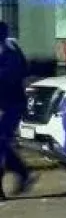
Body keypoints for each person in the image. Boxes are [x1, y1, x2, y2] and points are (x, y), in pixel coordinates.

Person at [0, 22, 32, 199]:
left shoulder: (11, 54)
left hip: (11, 105)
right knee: (2, 144)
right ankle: (21, 170)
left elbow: (12, 76)